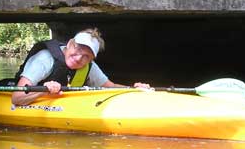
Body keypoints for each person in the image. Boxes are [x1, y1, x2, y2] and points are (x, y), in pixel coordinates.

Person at [10, 28, 149, 106]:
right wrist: (44, 91)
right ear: (70, 44)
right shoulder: (44, 59)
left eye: (86, 56)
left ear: (91, 59)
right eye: (77, 51)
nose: (79, 59)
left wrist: (133, 89)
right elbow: (16, 98)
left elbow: (109, 86)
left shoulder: (89, 66)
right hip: (30, 98)